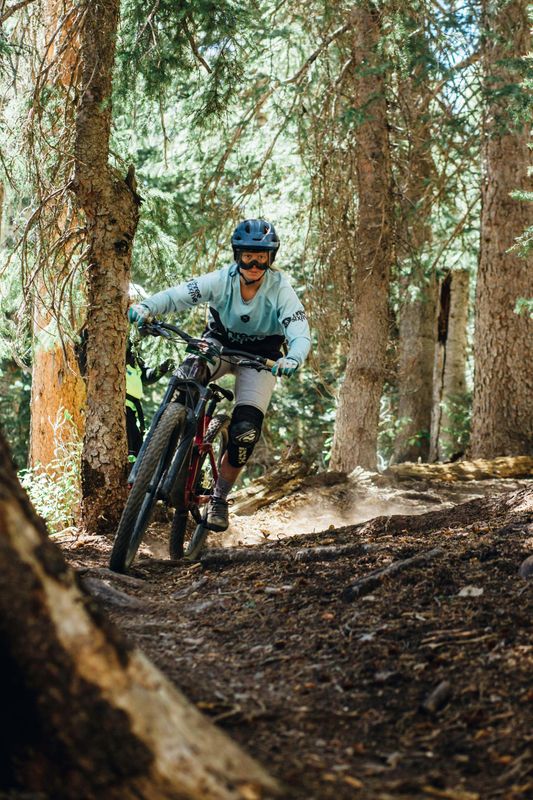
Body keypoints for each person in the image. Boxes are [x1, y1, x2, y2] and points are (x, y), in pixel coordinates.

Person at [128, 218, 311, 531]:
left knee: (245, 431)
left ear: (271, 258)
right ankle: (160, 454)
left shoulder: (280, 289)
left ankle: (219, 498)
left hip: (261, 358)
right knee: (186, 377)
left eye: (262, 258)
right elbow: (178, 295)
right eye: (248, 257)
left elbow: (299, 331)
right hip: (218, 344)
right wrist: (147, 307)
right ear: (237, 255)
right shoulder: (220, 280)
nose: (254, 265)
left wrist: (293, 357)